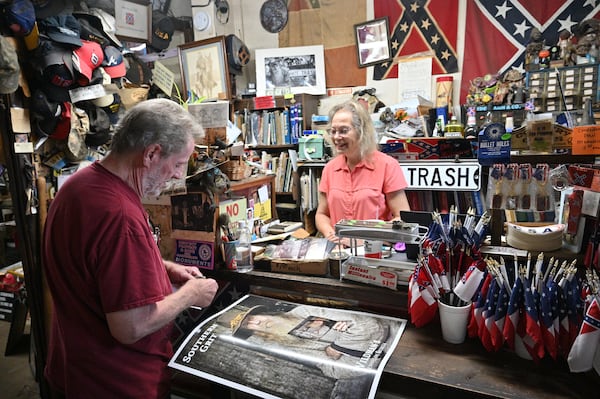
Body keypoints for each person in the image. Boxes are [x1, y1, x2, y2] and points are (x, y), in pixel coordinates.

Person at [42, 98, 219, 398]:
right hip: (117, 383)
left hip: (72, 372)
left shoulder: (79, 185)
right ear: (151, 154)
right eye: (177, 164)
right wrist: (191, 295)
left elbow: (96, 260)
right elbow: (130, 327)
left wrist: (163, 267)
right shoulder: (119, 215)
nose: (178, 175)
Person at [315, 100, 410, 246]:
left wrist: (367, 239)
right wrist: (331, 234)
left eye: (343, 130)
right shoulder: (329, 169)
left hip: (374, 251)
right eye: (333, 131)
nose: (336, 137)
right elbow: (322, 214)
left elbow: (401, 217)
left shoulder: (387, 165)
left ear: (361, 131)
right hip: (338, 251)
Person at [225, 303, 396, 379]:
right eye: (251, 326)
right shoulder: (286, 345)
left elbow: (370, 326)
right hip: (377, 362)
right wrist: (348, 343)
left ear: (263, 313)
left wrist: (335, 347)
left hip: (394, 337)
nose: (257, 323)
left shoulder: (303, 311)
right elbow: (336, 372)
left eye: (254, 318)